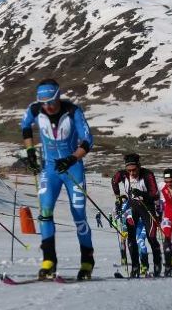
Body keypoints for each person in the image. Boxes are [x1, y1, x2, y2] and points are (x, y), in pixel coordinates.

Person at [21, 79, 95, 280]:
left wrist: (72, 158)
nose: (47, 106)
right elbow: (25, 126)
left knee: (78, 214)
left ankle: (87, 261)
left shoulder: (73, 111)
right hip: (50, 169)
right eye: (43, 103)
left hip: (73, 168)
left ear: (58, 97)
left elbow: (88, 140)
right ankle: (49, 261)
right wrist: (30, 151)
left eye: (51, 102)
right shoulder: (35, 109)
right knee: (45, 212)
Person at [111, 153, 161, 277]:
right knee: (131, 239)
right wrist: (118, 197)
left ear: (139, 166)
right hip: (133, 208)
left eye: (134, 170)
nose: (132, 173)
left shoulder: (147, 175)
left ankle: (157, 266)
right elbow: (114, 180)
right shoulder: (123, 174)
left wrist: (142, 193)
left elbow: (155, 195)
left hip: (147, 208)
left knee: (151, 237)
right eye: (129, 170)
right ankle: (135, 268)